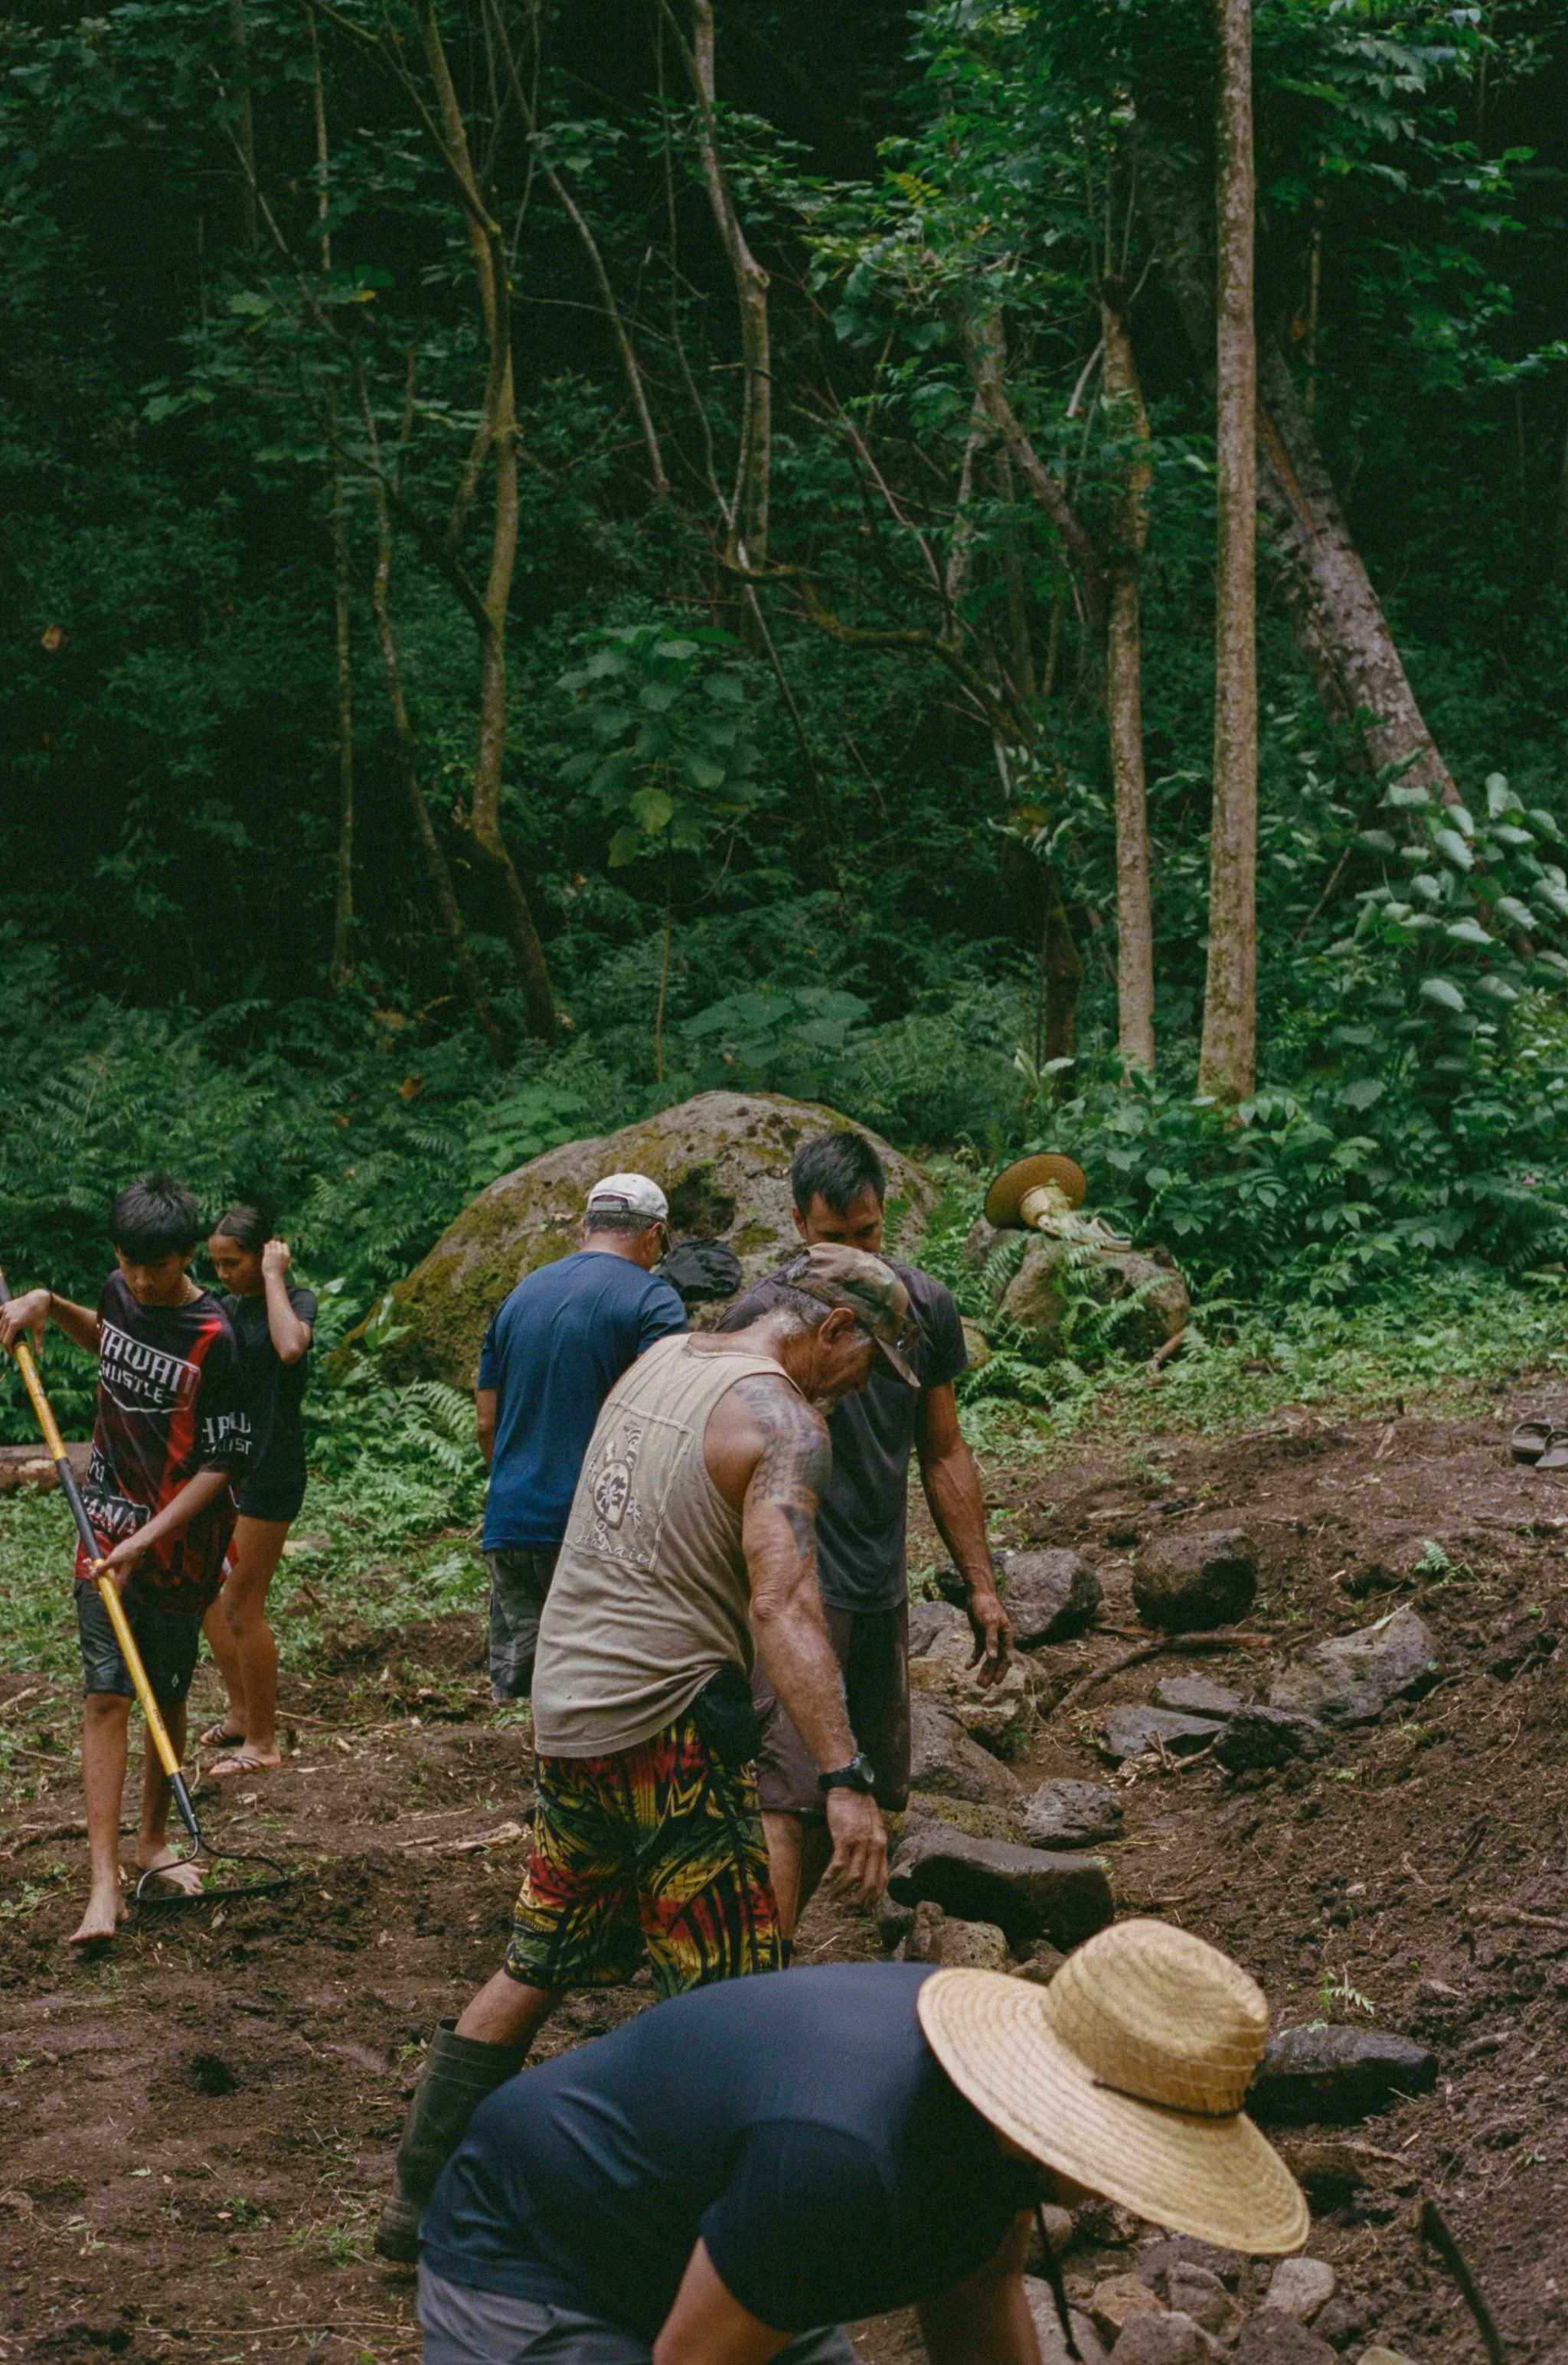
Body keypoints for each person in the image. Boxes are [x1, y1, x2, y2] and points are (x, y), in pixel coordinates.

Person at [375, 1243, 906, 2265]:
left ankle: (415, 2204)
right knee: (732, 1997)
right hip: (663, 1733)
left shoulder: (661, 1360)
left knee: (540, 1956)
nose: (867, 1383)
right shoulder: (783, 1425)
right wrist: (844, 1775)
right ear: (834, 1331)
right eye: (869, 1360)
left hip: (570, 1712)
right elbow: (783, 1602)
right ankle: (708, 2248)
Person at [414, 1917, 1309, 2365]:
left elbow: (978, 2286)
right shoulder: (845, 2163)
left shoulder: (990, 2119)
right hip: (531, 2254)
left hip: (725, 2243)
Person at [719, 1130, 1011, 1947]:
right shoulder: (759, 1318)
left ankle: (762, 1952)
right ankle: (747, 1999)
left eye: (868, 1233)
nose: (854, 1254)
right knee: (785, 1794)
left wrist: (980, 1583)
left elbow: (943, 1448)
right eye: (833, 1238)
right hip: (793, 1590)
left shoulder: (924, 1307)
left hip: (878, 1583)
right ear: (795, 1222)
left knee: (854, 1790)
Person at [0, 1174, 247, 1945]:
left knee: (164, 1693)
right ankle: (104, 1881)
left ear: (186, 1255)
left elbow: (222, 1465)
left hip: (179, 1543)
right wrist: (47, 1303)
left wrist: (151, 1539)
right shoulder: (117, 1289)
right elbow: (111, 1340)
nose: (143, 1281)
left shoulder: (218, 1339)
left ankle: (152, 1842)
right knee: (105, 1692)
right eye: (133, 1265)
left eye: (160, 1268)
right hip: (104, 1517)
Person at [476, 1172, 687, 1706]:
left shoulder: (519, 1296)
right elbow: (660, 1418)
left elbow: (485, 1422)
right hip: (597, 1530)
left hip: (510, 1522)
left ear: (586, 1226)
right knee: (602, 1691)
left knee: (538, 1691)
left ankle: (548, 1785)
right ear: (653, 1235)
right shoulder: (654, 1301)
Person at [199, 1207, 316, 1779]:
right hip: (224, 1466)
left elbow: (291, 1346)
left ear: (265, 1252)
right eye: (215, 1262)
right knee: (208, 1594)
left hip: (271, 1466)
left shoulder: (295, 1301)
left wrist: (273, 1277)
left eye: (234, 1261)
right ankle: (243, 1713)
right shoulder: (220, 1308)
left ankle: (265, 1742)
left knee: (242, 1602)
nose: (222, 1272)